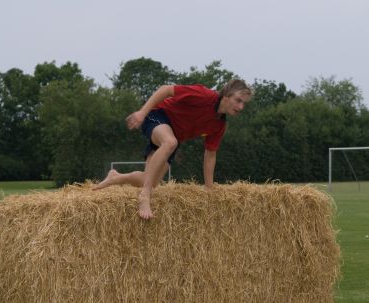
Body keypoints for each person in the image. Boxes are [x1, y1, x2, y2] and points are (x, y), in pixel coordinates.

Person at [93, 79, 252, 219]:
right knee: (170, 142)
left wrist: (209, 188)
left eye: (244, 103)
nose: (241, 106)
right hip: (157, 116)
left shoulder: (219, 125)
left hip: (172, 136)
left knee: (151, 179)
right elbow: (165, 90)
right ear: (227, 95)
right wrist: (142, 112)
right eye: (238, 100)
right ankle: (144, 196)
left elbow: (210, 154)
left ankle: (116, 177)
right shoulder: (204, 95)